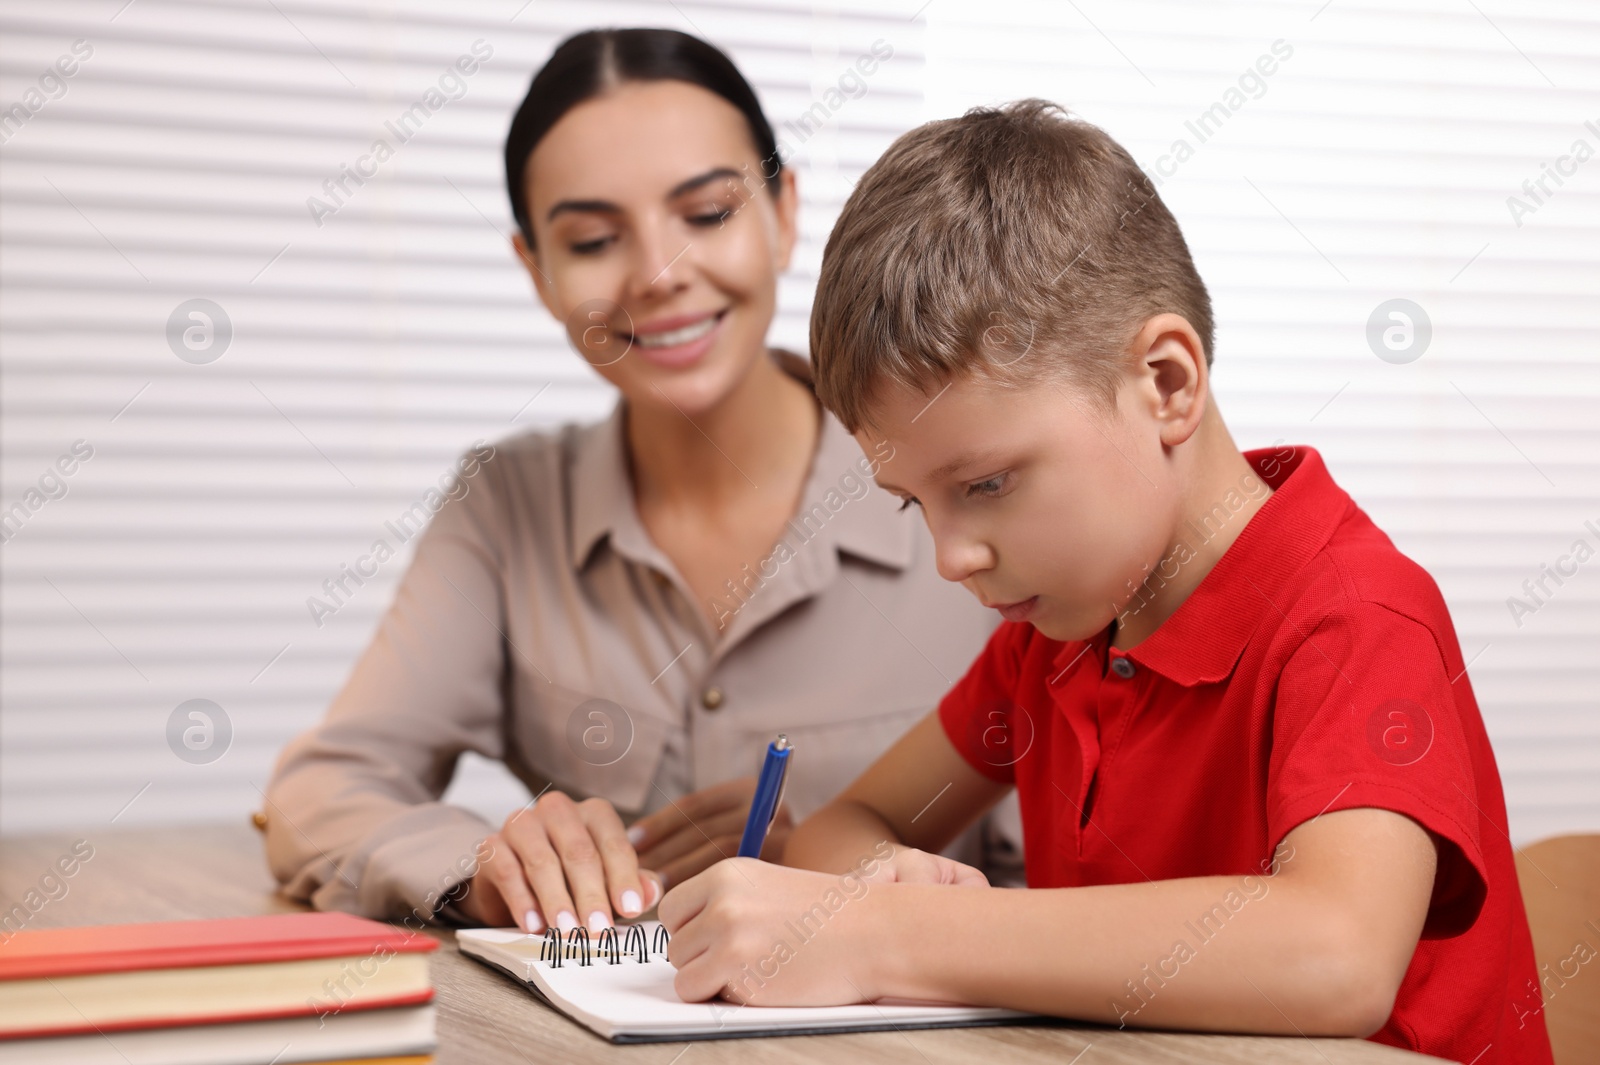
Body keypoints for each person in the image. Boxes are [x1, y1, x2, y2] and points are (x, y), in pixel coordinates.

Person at [657, 100, 1553, 1065]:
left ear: (1166, 384)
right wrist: (881, 884)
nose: (952, 557)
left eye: (987, 483)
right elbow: (845, 823)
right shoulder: (1050, 644)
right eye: (918, 505)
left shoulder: (1356, 615)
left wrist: (887, 933)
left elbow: (1337, 953)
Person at [262, 29, 1020, 938]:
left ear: (784, 214)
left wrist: (828, 874)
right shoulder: (507, 506)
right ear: (536, 271)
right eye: (592, 238)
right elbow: (325, 787)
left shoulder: (971, 479)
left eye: (706, 214)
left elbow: (1080, 855)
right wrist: (496, 870)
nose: (659, 276)